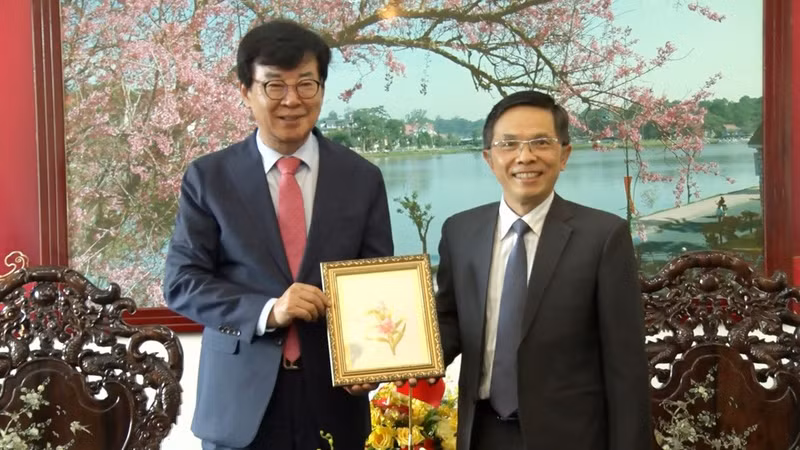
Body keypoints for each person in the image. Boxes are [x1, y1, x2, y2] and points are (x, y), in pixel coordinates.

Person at [163, 20, 393, 450]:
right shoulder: (209, 178)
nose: (292, 100)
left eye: (306, 84)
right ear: (245, 91)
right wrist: (269, 310)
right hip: (240, 402)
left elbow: (375, 284)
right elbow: (183, 284)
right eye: (274, 86)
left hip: (335, 398)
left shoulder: (362, 178)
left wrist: (373, 360)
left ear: (321, 89)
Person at [434, 91, 651, 449]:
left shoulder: (603, 236)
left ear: (564, 154)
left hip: (572, 437)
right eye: (508, 144)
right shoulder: (459, 231)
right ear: (489, 157)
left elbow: (625, 366)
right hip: (482, 433)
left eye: (540, 142)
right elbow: (449, 319)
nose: (525, 156)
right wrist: (401, 359)